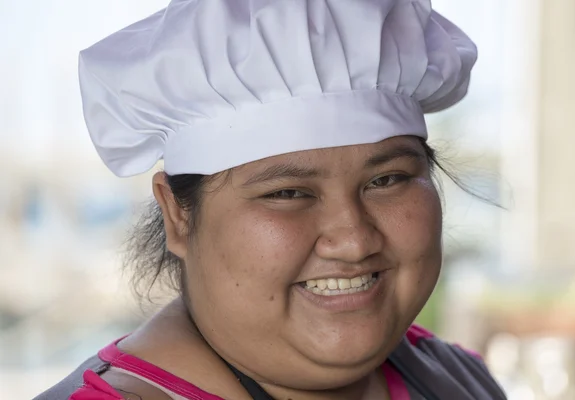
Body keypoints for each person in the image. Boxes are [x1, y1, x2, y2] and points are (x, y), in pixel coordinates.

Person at [36, 0, 507, 399]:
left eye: (387, 180)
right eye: (287, 193)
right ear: (178, 214)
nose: (354, 240)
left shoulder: (461, 379)